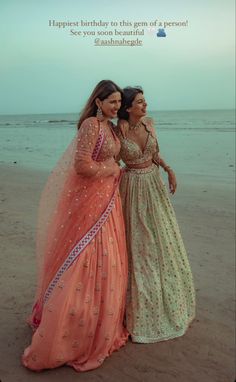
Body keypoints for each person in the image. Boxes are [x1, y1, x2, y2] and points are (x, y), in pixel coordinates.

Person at [22, 80, 129, 372]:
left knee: (108, 261)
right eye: (112, 102)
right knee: (85, 258)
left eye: (119, 102)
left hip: (108, 201)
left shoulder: (110, 126)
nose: (117, 107)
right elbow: (81, 165)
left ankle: (97, 324)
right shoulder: (90, 127)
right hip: (90, 203)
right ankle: (71, 328)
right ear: (98, 102)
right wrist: (111, 170)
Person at [115, 86, 196, 343]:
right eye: (140, 102)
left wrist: (168, 169)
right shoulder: (118, 131)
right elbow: (110, 161)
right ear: (127, 108)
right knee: (140, 247)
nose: (145, 106)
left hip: (154, 185)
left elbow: (154, 153)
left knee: (164, 242)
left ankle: (170, 299)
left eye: (144, 101)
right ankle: (141, 309)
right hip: (132, 189)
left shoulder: (150, 124)